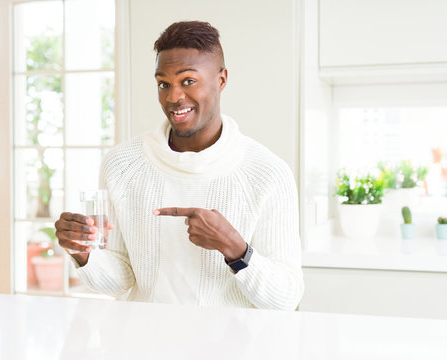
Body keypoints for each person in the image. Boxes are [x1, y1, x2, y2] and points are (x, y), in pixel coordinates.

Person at [54, 21, 304, 310]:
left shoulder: (269, 173)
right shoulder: (121, 163)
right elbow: (122, 281)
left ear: (221, 79)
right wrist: (83, 254)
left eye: (188, 81)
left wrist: (236, 250)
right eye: (163, 84)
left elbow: (287, 298)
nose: (173, 97)